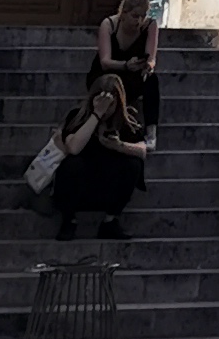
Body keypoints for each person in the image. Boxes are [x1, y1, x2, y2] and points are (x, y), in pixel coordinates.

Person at [48, 71, 148, 239]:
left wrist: (119, 146)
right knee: (72, 164)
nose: (106, 109)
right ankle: (69, 220)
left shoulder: (126, 120)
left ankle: (110, 221)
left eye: (110, 104)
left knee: (133, 164)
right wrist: (96, 114)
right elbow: (73, 148)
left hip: (108, 185)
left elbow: (142, 150)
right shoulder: (77, 116)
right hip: (79, 184)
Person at [94, 0, 161, 139]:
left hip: (133, 73)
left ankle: (151, 131)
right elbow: (105, 61)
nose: (139, 21)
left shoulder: (150, 26)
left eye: (143, 16)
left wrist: (148, 66)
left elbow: (151, 58)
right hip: (109, 71)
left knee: (152, 80)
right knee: (111, 82)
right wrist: (125, 65)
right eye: (135, 16)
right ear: (124, 13)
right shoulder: (109, 24)